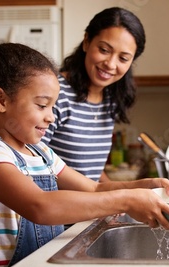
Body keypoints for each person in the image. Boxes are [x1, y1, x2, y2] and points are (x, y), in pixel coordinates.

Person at [0, 38, 169, 267]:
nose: (51, 117)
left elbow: (93, 187)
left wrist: (142, 187)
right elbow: (40, 206)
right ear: (0, 100)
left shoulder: (41, 152)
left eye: (53, 106)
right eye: (42, 105)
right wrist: (127, 201)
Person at [42, 7, 145, 182]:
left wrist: (112, 191)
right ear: (86, 42)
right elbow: (32, 163)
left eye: (123, 58)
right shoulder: (57, 94)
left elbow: (90, 172)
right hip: (60, 207)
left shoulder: (110, 100)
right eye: (104, 50)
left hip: (88, 207)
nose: (111, 64)